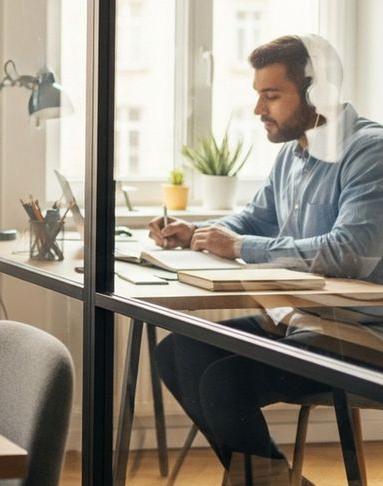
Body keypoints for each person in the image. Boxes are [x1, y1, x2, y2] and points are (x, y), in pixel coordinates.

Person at [149, 34, 383, 484]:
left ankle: (266, 482)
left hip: (364, 331)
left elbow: (348, 253)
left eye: (271, 96)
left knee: (223, 381)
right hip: (310, 319)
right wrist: (197, 234)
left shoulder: (369, 151)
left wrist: (237, 248)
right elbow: (255, 218)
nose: (259, 110)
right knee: (177, 352)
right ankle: (277, 481)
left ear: (318, 93)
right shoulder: (294, 153)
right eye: (259, 95)